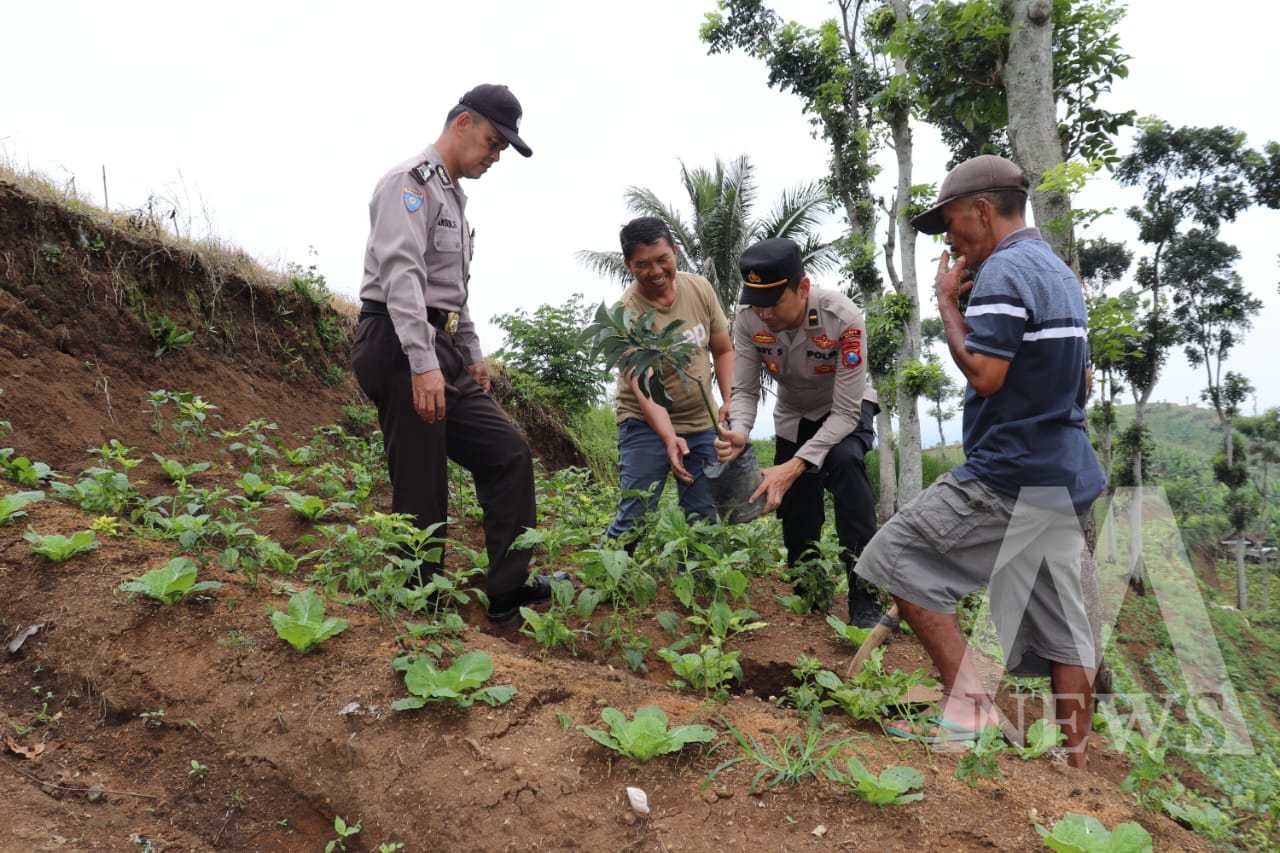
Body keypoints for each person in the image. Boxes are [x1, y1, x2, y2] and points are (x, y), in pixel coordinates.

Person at [854, 154, 1105, 768]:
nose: (953, 243)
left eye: (953, 226)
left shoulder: (1004, 272)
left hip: (1007, 473)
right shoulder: (1058, 273)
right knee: (1063, 627)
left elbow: (987, 374)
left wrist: (946, 307)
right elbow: (1085, 382)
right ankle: (1078, 769)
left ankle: (970, 707)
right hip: (1062, 473)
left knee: (895, 557)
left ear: (983, 211)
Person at [352, 83, 551, 624]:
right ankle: (419, 609)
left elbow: (450, 294)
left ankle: (506, 592)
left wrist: (471, 352)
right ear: (462, 123)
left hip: (437, 342)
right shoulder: (408, 185)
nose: (494, 157)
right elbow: (403, 279)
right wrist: (422, 364)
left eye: (502, 150)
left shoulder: (453, 199)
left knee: (507, 452)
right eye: (492, 143)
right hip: (397, 341)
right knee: (423, 481)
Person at [715, 238, 883, 628]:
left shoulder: (842, 318)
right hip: (794, 413)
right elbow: (744, 390)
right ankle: (807, 590)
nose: (765, 313)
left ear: (802, 288)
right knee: (797, 509)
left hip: (846, 407)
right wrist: (739, 430)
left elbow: (844, 412)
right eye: (757, 303)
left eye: (774, 302)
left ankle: (865, 594)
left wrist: (795, 465)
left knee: (845, 465)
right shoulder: (748, 318)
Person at [604, 217, 734, 546]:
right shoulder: (626, 314)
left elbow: (722, 349)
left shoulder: (699, 288)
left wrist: (730, 400)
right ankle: (606, 580)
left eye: (663, 259)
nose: (656, 271)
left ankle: (698, 587)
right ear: (629, 265)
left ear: (675, 252)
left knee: (703, 516)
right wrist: (668, 438)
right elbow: (644, 388)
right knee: (637, 510)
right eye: (643, 264)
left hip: (701, 423)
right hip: (643, 423)